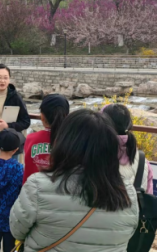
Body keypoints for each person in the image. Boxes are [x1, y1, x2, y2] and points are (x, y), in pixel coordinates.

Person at [10, 109, 138, 251]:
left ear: (64, 142)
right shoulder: (128, 192)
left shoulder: (37, 186)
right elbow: (130, 232)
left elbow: (17, 230)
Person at [103, 104, 154, 194]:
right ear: (129, 125)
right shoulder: (143, 161)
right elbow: (148, 195)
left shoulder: (90, 156)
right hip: (135, 207)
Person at [23, 94, 69, 184]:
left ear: (42, 117)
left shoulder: (31, 138)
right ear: (67, 116)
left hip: (33, 190)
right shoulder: (72, 141)